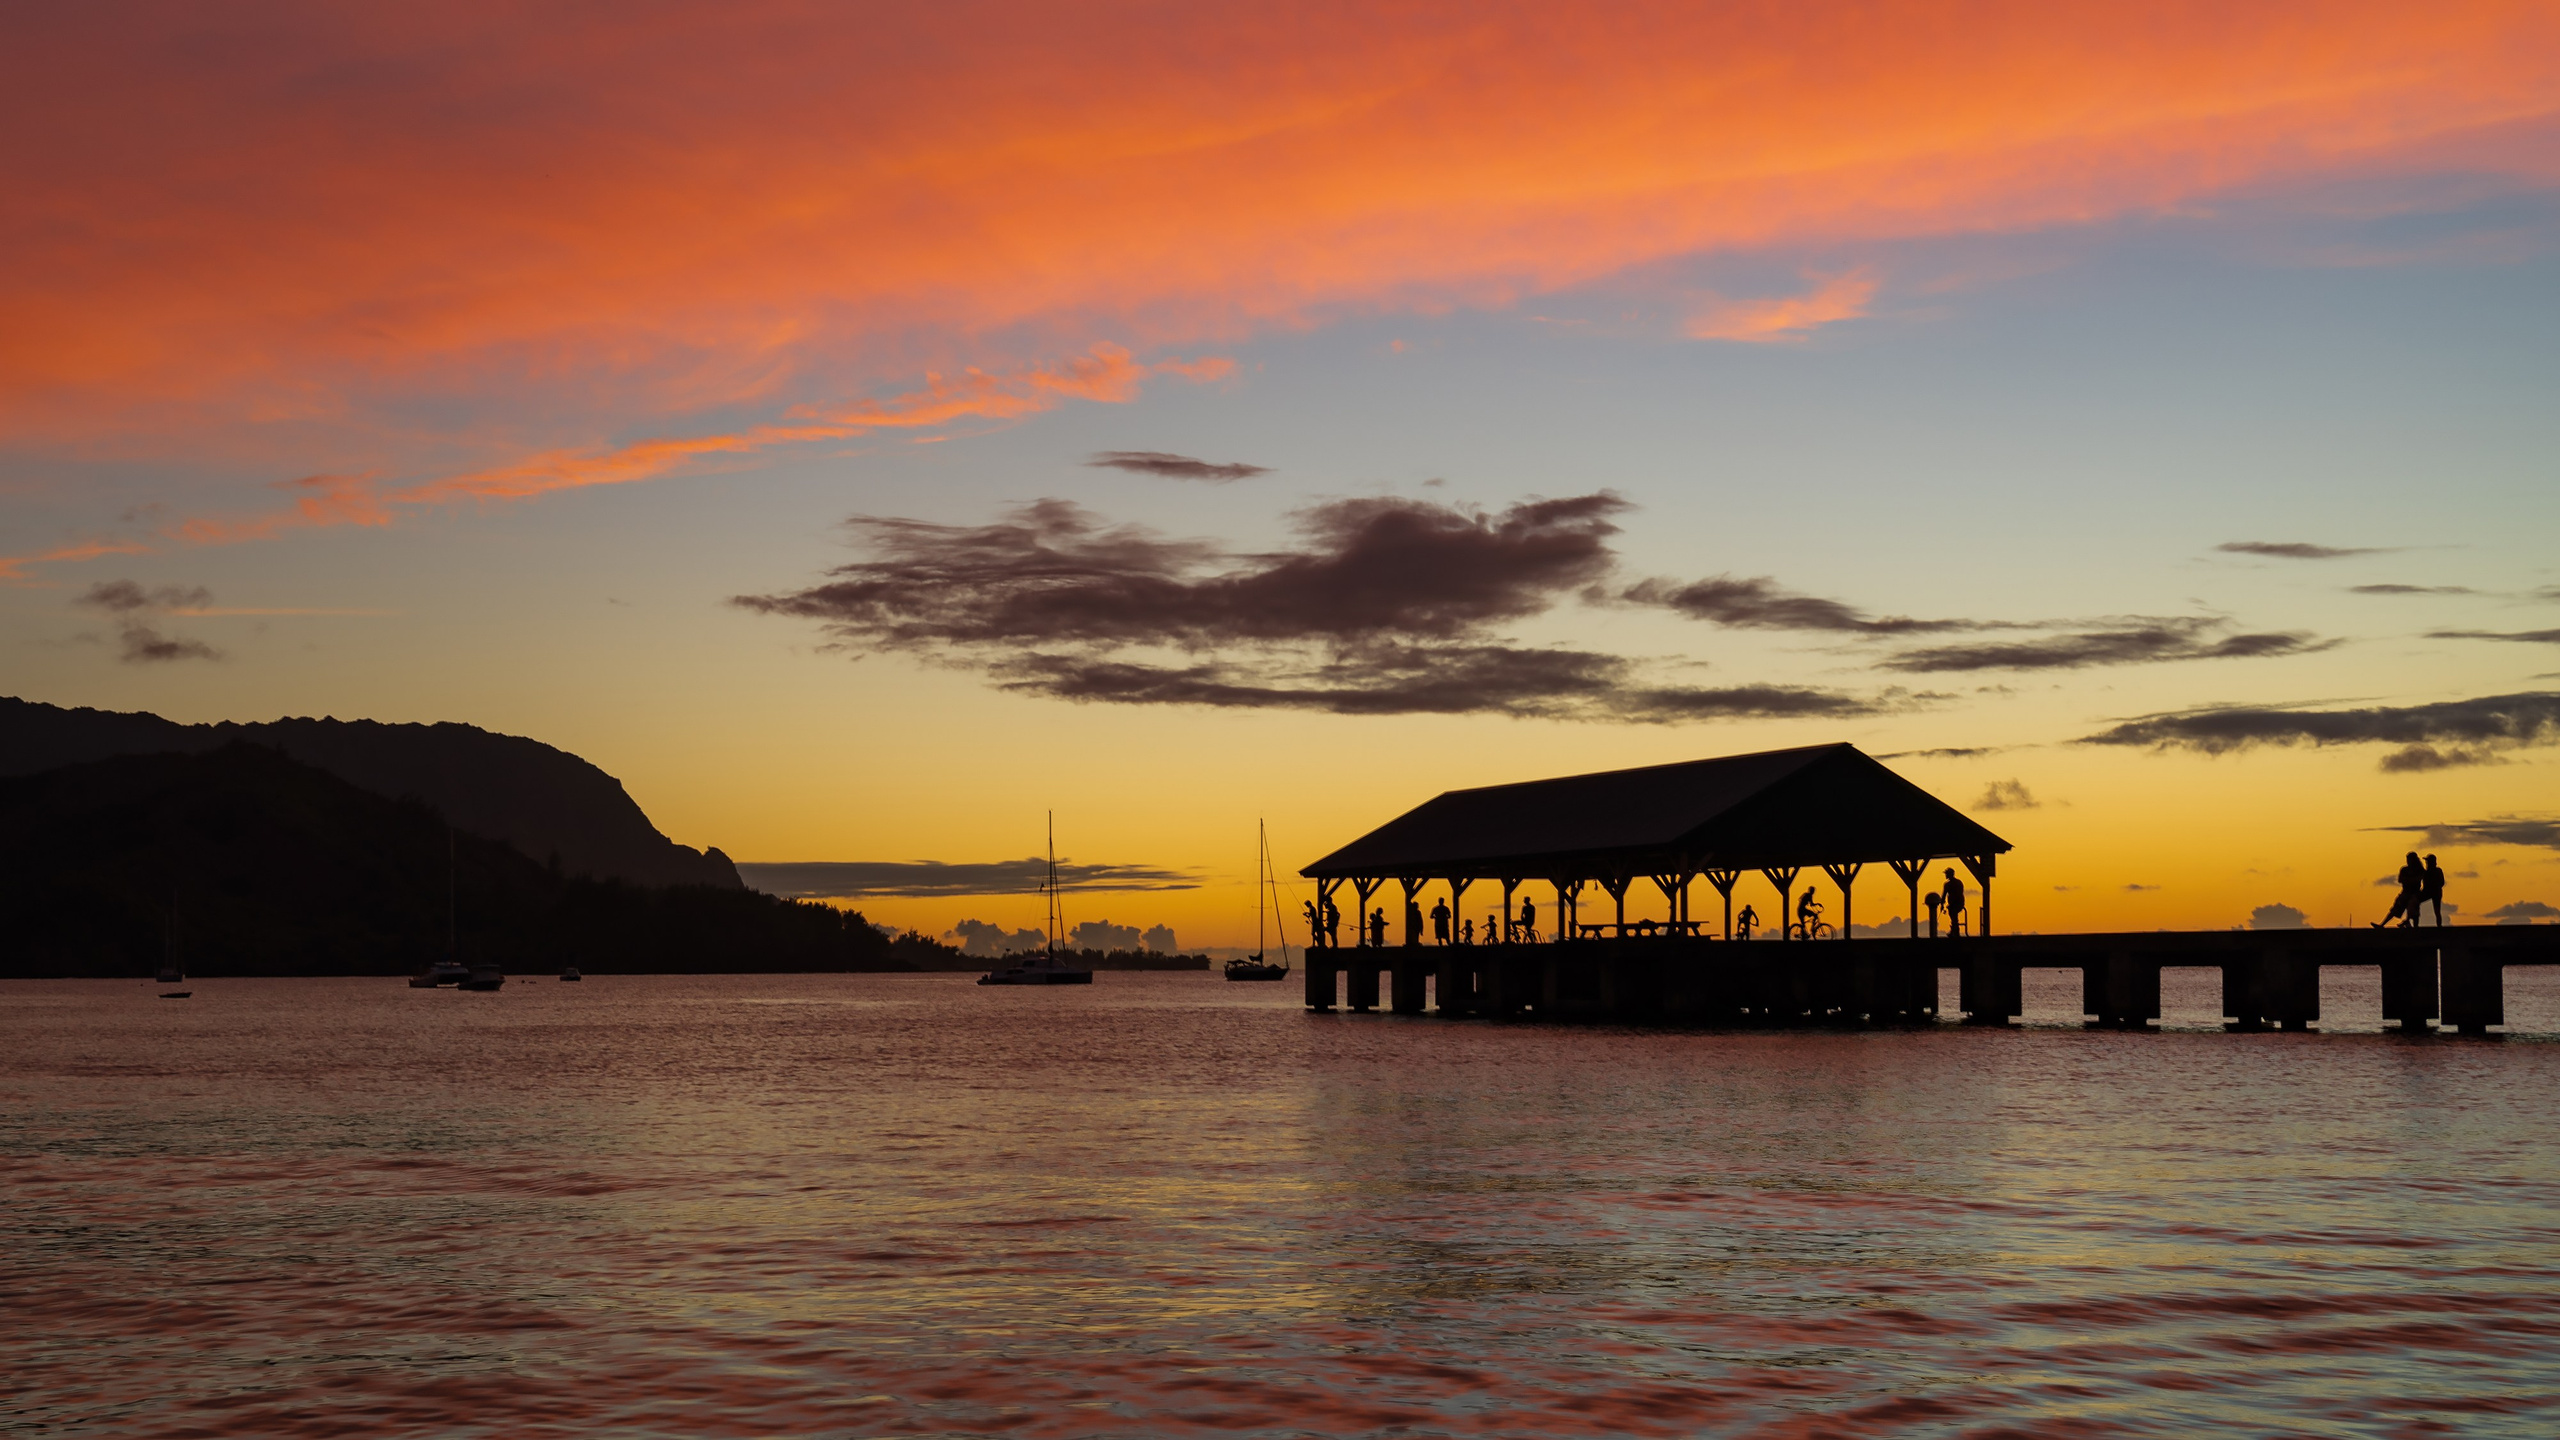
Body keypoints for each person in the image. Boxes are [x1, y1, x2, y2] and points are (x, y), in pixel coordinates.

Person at [2375, 852, 2423, 928]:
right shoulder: (2404, 869)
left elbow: (2418, 879)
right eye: (2407, 859)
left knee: (2414, 912)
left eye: (2409, 859)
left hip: (2415, 894)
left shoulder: (2419, 870)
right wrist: (2411, 880)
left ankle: (2414, 927)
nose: (2408, 861)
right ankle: (2382, 924)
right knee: (2395, 910)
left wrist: (2409, 880)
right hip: (2405, 892)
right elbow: (2400, 880)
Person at [2422, 853, 2448, 926]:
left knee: (2437, 910)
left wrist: (2432, 887)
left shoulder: (2435, 871)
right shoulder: (2428, 872)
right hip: (2434, 892)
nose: (2426, 863)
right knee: (2437, 911)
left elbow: (2441, 882)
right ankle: (2439, 926)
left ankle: (2439, 926)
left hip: (2434, 892)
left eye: (2428, 861)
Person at [1941, 868, 1967, 937]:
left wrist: (1942, 904)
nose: (1945, 875)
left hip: (1956, 904)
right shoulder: (1958, 882)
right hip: (1959, 903)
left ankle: (1955, 932)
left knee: (1953, 914)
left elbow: (1944, 895)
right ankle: (1954, 931)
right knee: (1953, 916)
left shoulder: (1948, 884)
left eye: (1946, 874)